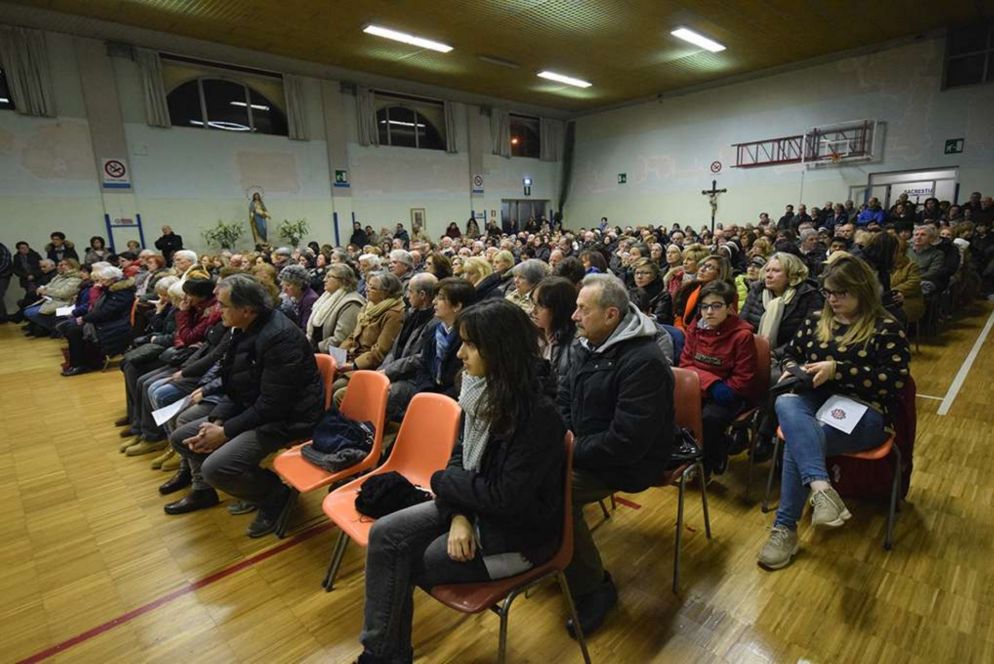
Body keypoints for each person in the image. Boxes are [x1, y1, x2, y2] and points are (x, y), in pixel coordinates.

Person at [357, 298, 566, 663]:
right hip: (476, 508)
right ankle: (383, 654)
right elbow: (459, 460)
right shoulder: (479, 391)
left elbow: (506, 499)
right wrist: (458, 516)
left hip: (521, 536)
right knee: (386, 535)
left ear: (499, 350)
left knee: (409, 559)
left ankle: (386, 654)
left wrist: (441, 482)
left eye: (469, 344)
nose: (460, 355)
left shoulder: (537, 416)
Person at [757, 255, 911, 570]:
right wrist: (791, 369)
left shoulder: (886, 327)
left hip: (864, 410)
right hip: (814, 400)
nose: (832, 299)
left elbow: (894, 382)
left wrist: (837, 370)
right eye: (828, 292)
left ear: (863, 291)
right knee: (785, 403)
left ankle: (785, 528)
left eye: (842, 293)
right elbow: (788, 354)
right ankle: (822, 489)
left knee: (798, 443)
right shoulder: (816, 319)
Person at [558, 273, 674, 636]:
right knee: (531, 476)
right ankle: (553, 552)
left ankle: (595, 589)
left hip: (631, 462)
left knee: (554, 494)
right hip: (587, 450)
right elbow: (563, 398)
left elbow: (627, 441)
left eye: (582, 309)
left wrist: (569, 451)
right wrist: (561, 441)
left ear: (611, 315)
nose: (574, 316)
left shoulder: (643, 360)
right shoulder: (585, 344)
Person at [165, 275, 323, 538]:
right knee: (181, 438)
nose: (218, 310)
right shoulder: (242, 328)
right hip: (259, 408)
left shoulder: (280, 338)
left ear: (247, 309)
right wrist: (216, 420)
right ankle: (250, 483)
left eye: (224, 305)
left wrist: (225, 432)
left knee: (215, 468)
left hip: (289, 418)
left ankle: (275, 495)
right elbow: (236, 385)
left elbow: (274, 405)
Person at [679, 280, 759, 475]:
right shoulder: (695, 328)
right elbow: (686, 363)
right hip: (703, 388)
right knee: (673, 409)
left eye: (716, 306)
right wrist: (711, 383)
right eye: (704, 306)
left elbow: (743, 379)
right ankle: (684, 455)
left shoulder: (742, 336)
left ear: (730, 308)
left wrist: (718, 388)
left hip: (730, 393)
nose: (709, 312)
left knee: (710, 418)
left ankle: (709, 461)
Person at [385, 277, 475, 421]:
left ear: (457, 306)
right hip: (429, 390)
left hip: (453, 399)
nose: (433, 302)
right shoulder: (434, 329)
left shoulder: (470, 337)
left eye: (440, 298)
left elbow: (464, 379)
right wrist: (426, 391)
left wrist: (438, 399)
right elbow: (424, 365)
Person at [331, 271, 405, 405]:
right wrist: (338, 356)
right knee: (323, 375)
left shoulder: (394, 314)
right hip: (352, 358)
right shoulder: (369, 306)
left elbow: (379, 352)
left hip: (369, 366)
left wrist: (352, 365)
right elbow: (353, 336)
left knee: (336, 388)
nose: (367, 289)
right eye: (368, 285)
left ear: (385, 292)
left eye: (373, 288)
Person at [739, 253, 824, 358]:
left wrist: (775, 354)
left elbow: (808, 336)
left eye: (776, 271)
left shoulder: (809, 296)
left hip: (790, 357)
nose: (769, 275)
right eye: (767, 270)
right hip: (752, 352)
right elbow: (742, 324)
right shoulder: (757, 291)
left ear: (791, 274)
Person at [61, 265, 136, 376]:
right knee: (69, 327)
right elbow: (97, 308)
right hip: (107, 321)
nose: (100, 283)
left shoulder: (121, 293)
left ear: (113, 279)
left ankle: (80, 364)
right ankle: (85, 361)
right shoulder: (111, 290)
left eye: (103, 280)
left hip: (116, 326)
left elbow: (105, 312)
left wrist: (84, 318)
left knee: (74, 331)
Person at [379, 273, 438, 382]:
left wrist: (388, 372)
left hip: (412, 379)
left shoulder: (434, 322)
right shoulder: (410, 313)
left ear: (422, 295)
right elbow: (394, 349)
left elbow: (419, 359)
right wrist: (383, 370)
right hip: (392, 371)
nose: (406, 295)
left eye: (410, 291)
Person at [305, 263, 365, 353]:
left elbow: (340, 339)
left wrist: (313, 349)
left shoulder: (352, 303)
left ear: (343, 281)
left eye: (329, 277)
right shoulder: (326, 297)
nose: (324, 280)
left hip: (330, 354)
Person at [531, 276, 578, 387]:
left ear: (558, 310)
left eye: (540, 306)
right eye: (533, 303)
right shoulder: (530, 335)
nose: (533, 311)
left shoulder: (574, 346)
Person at [628, 258, 674, 324]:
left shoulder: (663, 296)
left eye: (646, 273)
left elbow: (660, 320)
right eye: (637, 273)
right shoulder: (630, 292)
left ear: (654, 276)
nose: (639, 276)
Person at [277, 265, 319, 331]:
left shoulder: (310, 300)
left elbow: (305, 328)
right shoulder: (291, 295)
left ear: (299, 285)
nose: (284, 289)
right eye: (282, 284)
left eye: (288, 285)